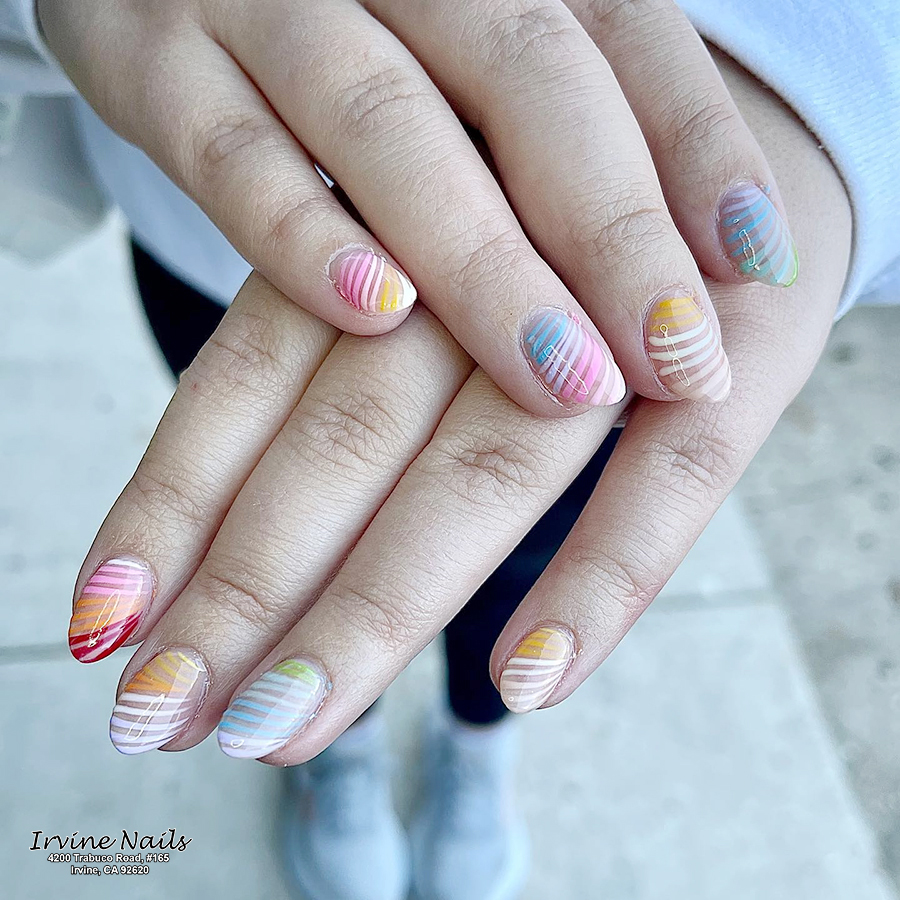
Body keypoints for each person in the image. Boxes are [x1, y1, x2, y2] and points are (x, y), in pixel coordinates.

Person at [3, 0, 898, 898]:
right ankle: (336, 736)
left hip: (646, 167)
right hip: (218, 220)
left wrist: (827, 84)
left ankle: (476, 740)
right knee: (284, 537)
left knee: (513, 570)